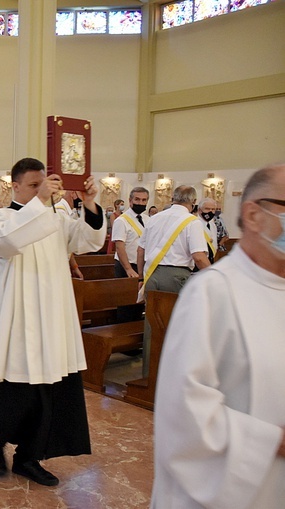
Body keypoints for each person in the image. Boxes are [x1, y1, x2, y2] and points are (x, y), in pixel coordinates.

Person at [0, 157, 105, 486]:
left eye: (45, 185)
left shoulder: (57, 217)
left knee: (48, 393)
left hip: (51, 319)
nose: (42, 191)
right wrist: (42, 202)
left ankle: (29, 458)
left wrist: (91, 202)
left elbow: (89, 241)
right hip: (16, 322)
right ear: (16, 186)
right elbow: (9, 242)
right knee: (8, 392)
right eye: (34, 185)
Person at [151, 164, 285, 509]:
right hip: (226, 489)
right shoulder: (212, 293)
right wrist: (272, 442)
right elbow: (183, 411)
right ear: (253, 215)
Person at [137, 185, 210, 378]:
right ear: (193, 202)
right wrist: (215, 277)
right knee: (177, 328)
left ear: (173, 198)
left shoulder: (155, 218)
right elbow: (199, 256)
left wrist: (140, 277)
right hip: (176, 277)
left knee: (152, 327)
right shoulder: (192, 222)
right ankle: (171, 377)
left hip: (151, 275)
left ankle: (149, 374)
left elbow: (140, 250)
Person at [113, 187, 150, 279]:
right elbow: (119, 247)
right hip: (126, 265)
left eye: (144, 200)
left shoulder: (148, 220)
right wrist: (128, 269)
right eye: (137, 199)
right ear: (130, 200)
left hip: (143, 265)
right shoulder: (121, 220)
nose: (140, 203)